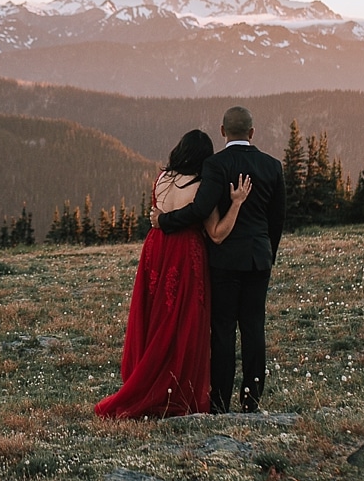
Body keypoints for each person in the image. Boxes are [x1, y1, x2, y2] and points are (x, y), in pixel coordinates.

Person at [94, 130, 251, 419]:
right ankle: (175, 387)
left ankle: (148, 377)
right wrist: (237, 203)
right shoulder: (202, 185)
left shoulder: (161, 178)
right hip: (184, 252)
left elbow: (157, 215)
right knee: (183, 321)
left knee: (155, 317)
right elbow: (216, 234)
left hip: (155, 248)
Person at [153, 104, 286, 413]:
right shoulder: (272, 166)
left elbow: (200, 210)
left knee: (223, 329)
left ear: (223, 132)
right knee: (254, 327)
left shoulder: (216, 165)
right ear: (252, 133)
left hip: (224, 259)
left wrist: (164, 221)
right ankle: (251, 400)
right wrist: (268, 254)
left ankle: (220, 401)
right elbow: (277, 220)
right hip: (258, 258)